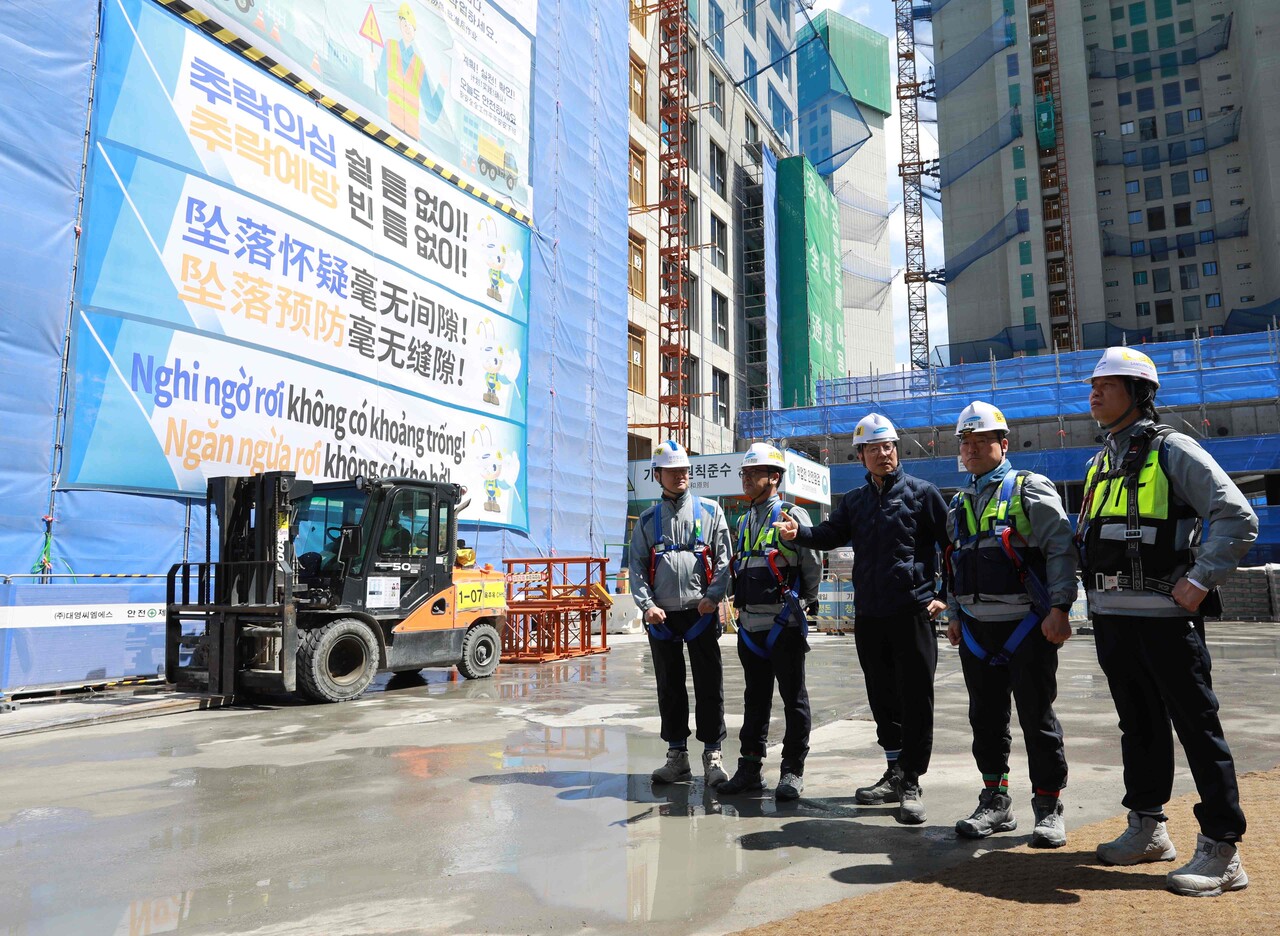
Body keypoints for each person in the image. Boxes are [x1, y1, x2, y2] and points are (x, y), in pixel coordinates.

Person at [1080, 347, 1257, 896]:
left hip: (1166, 622)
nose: (1095, 393)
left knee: (1197, 728)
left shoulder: (1173, 449)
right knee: (1139, 726)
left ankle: (1224, 850)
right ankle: (1148, 829)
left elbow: (1236, 516)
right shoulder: (1101, 460)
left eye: (1108, 384)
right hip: (1112, 619)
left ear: (1140, 393)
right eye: (1093, 385)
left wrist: (1201, 579)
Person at [774, 413, 947, 823]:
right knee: (883, 697)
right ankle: (893, 771)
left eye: (888, 446)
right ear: (861, 456)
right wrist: (800, 534)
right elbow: (831, 534)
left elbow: (952, 544)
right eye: (874, 448)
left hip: (913, 612)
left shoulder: (923, 494)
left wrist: (945, 597)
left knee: (916, 697)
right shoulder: (854, 501)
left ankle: (912, 781)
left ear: (896, 450)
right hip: (870, 615)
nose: (883, 454)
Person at [944, 401, 1075, 848]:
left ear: (1004, 444)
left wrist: (1061, 607)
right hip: (977, 631)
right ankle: (995, 802)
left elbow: (1060, 547)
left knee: (1036, 717)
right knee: (985, 718)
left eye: (982, 441)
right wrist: (955, 613)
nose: (973, 449)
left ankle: (1048, 806)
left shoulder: (1029, 489)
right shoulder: (958, 502)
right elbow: (954, 561)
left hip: (1027, 626)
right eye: (966, 441)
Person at [719, 443, 821, 801]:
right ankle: (749, 768)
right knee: (754, 699)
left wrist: (803, 604)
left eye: (752, 473)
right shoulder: (745, 520)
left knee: (793, 699)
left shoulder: (792, 515)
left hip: (783, 625)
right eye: (743, 473)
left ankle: (792, 770)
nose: (745, 479)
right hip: (749, 628)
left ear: (774, 478)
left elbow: (812, 565)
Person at [628, 440, 733, 788]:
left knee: (709, 685)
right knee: (669, 687)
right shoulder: (646, 521)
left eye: (684, 470)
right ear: (658, 475)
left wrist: (713, 596)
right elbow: (638, 568)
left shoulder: (710, 511)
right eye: (672, 471)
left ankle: (713, 755)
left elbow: (723, 560)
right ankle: (677, 757)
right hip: (663, 618)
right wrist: (647, 606)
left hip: (700, 613)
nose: (680, 476)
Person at [374, 3, 446, 140]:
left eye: (410, 25)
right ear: (399, 25)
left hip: (412, 139)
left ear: (415, 30)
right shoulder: (390, 47)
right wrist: (376, 67)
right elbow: (383, 89)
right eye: (404, 24)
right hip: (390, 127)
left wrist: (442, 87)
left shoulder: (419, 65)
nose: (407, 28)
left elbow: (432, 114)